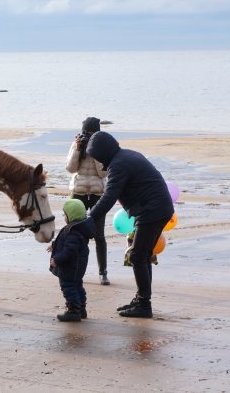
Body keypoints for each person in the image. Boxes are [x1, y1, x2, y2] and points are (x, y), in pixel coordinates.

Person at [86, 131, 174, 319]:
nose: (98, 162)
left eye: (97, 156)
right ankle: (142, 299)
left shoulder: (119, 165)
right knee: (143, 254)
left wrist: (90, 218)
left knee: (137, 255)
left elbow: (109, 196)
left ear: (103, 153)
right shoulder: (126, 155)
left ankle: (144, 305)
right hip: (158, 208)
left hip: (153, 210)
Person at [65, 117, 110, 286]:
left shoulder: (103, 146)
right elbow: (70, 168)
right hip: (78, 191)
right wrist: (78, 149)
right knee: (74, 232)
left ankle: (102, 272)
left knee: (99, 235)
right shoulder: (76, 143)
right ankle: (73, 269)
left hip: (98, 193)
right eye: (86, 134)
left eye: (92, 135)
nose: (88, 137)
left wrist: (96, 152)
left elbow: (103, 174)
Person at [48, 198, 93, 322]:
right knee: (78, 286)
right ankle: (81, 308)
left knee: (68, 287)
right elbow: (65, 243)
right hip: (77, 267)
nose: (64, 217)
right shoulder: (78, 229)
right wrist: (54, 245)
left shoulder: (73, 231)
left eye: (65, 214)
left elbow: (69, 251)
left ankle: (73, 310)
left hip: (70, 267)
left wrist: (57, 260)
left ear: (71, 215)